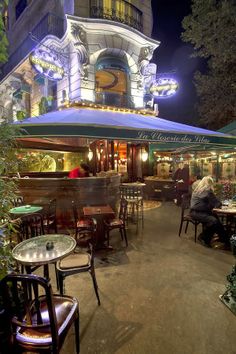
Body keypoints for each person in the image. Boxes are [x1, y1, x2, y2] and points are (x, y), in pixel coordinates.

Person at [190, 176, 228, 247]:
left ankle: (224, 238)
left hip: (194, 212)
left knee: (216, 220)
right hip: (198, 213)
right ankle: (203, 237)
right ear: (210, 183)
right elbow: (217, 203)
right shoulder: (208, 191)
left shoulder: (197, 190)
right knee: (214, 221)